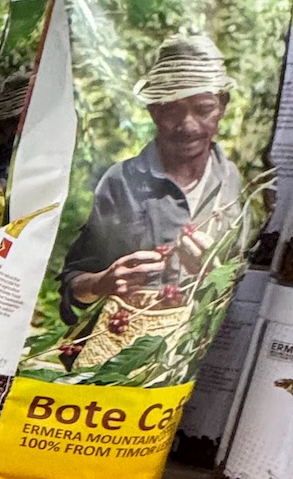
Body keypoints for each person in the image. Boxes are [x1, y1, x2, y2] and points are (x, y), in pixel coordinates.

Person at [61, 33, 243, 320]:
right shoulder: (121, 182)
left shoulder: (233, 181)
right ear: (154, 112)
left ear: (222, 107)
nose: (188, 125)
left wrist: (213, 273)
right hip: (129, 346)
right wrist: (102, 283)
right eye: (173, 110)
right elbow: (74, 284)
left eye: (203, 109)